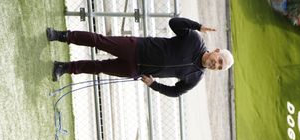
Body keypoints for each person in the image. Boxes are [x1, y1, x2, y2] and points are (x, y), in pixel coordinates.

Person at [47, 17, 234, 97]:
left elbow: (176, 92)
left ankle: (64, 67)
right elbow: (174, 22)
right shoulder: (194, 38)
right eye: (218, 61)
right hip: (136, 47)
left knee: (100, 67)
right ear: (216, 50)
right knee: (99, 41)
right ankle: (62, 36)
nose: (214, 64)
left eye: (218, 67)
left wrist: (154, 85)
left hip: (136, 70)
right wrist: (197, 26)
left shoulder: (196, 77)